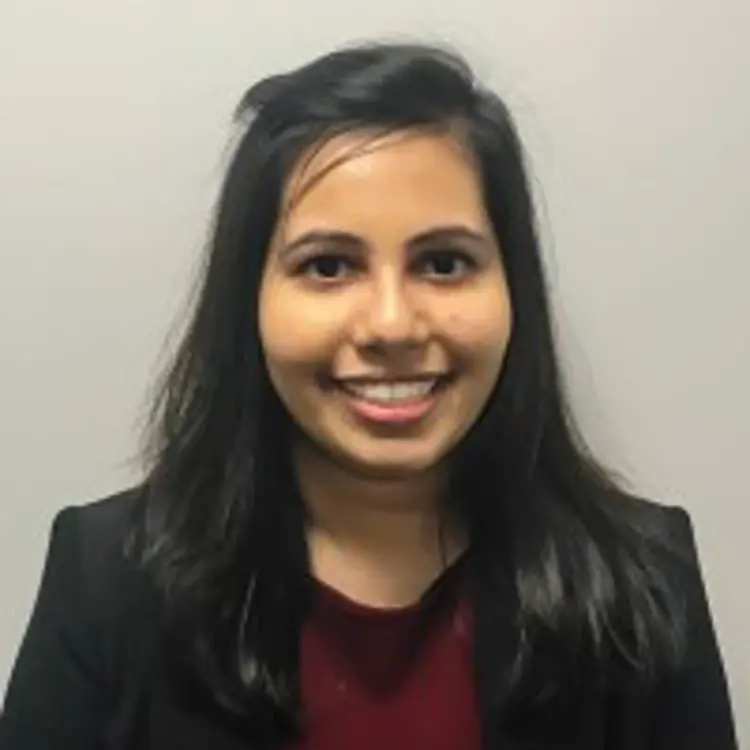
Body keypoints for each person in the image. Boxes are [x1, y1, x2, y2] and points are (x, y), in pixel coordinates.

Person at [0, 41, 737, 750]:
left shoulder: (649, 583)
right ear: (249, 298)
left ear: (514, 289)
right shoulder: (106, 584)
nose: (391, 325)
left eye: (444, 263)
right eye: (328, 266)